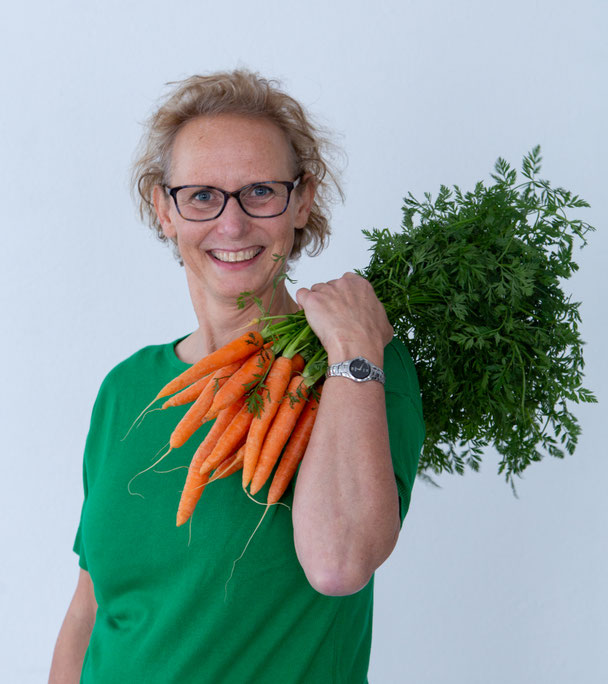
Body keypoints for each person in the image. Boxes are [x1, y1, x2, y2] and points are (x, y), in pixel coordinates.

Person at [49, 70, 425, 683]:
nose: (231, 224)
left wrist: (354, 347)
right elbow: (91, 607)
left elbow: (339, 563)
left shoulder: (360, 369)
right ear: (163, 210)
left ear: (301, 201)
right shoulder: (126, 389)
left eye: (260, 192)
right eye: (201, 195)